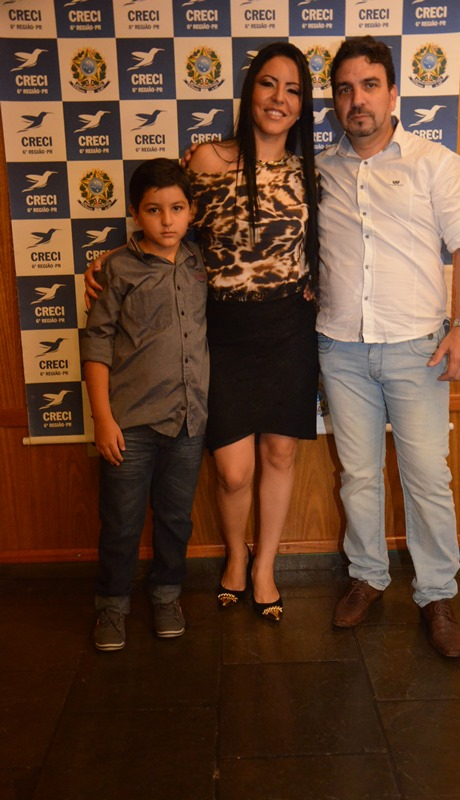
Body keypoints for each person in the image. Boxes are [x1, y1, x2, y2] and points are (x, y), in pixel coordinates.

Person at [85, 42, 319, 622]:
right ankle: (235, 555)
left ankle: (262, 568)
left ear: (303, 104)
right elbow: (162, 214)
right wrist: (110, 259)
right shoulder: (208, 159)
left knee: (280, 453)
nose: (279, 98)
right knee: (234, 471)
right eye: (269, 84)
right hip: (224, 332)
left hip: (289, 329)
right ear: (250, 90)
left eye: (293, 89)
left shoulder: (311, 169)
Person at [316, 37, 460, 657]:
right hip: (340, 350)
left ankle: (436, 594)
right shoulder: (319, 170)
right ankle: (367, 576)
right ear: (334, 99)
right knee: (358, 475)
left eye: (369, 86)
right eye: (344, 89)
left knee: (428, 478)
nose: (356, 100)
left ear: (392, 93)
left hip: (419, 350)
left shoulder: (434, 163)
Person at [81, 158, 208, 651]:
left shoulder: (200, 262)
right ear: (135, 214)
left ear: (191, 211)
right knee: (121, 521)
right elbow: (96, 344)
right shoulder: (116, 268)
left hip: (187, 421)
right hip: (129, 424)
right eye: (154, 210)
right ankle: (112, 605)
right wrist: (103, 418)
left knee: (176, 518)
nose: (167, 220)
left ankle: (167, 595)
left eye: (177, 208)